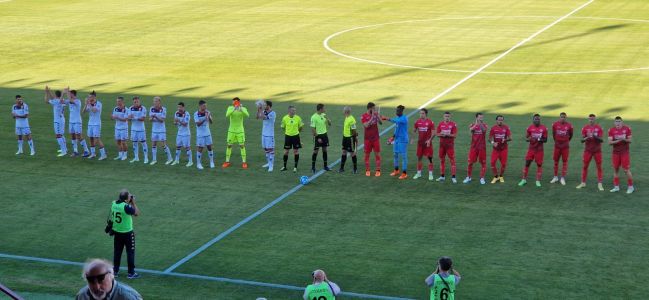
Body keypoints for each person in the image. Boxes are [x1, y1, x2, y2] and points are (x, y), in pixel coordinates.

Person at [75, 258, 142, 300]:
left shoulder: (129, 297)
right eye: (91, 280)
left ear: (111, 276)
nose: (97, 287)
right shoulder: (82, 296)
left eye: (101, 279)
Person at [110, 189, 140, 279]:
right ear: (127, 199)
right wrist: (133, 203)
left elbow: (119, 201)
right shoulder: (126, 207)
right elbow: (137, 213)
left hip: (117, 232)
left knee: (117, 252)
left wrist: (127, 201)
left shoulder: (113, 203)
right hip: (127, 233)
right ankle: (131, 273)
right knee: (130, 252)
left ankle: (115, 271)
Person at [518, 114, 548, 187]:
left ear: (540, 120)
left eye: (538, 119)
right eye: (535, 119)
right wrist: (529, 139)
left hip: (539, 150)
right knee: (527, 163)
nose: (537, 120)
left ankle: (538, 181)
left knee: (539, 165)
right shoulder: (530, 128)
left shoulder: (544, 128)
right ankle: (523, 180)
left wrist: (537, 139)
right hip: (531, 149)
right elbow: (526, 138)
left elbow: (545, 140)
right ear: (533, 120)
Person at [576, 114, 604, 191]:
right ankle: (583, 182)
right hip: (588, 150)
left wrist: (594, 136)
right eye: (590, 119)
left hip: (597, 151)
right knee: (585, 166)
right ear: (588, 120)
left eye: (592, 119)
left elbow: (601, 140)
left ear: (595, 119)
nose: (591, 120)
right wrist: (587, 137)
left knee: (599, 167)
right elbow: (582, 140)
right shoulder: (585, 128)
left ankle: (600, 183)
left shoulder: (599, 128)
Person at [608, 116, 634, 194]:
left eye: (619, 121)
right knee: (616, 169)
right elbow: (610, 142)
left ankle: (631, 187)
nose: (618, 123)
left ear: (622, 122)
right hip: (615, 153)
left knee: (626, 170)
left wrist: (624, 139)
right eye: (616, 121)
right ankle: (616, 187)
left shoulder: (627, 129)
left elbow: (630, 140)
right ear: (614, 122)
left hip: (624, 152)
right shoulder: (611, 130)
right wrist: (619, 140)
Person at [223, 97, 250, 169]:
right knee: (229, 146)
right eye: (233, 102)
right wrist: (234, 109)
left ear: (239, 102)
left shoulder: (243, 108)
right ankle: (227, 161)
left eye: (236, 102)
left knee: (242, 146)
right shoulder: (230, 108)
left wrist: (240, 109)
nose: (234, 103)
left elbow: (247, 115)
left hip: (240, 131)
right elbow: (227, 115)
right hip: (231, 130)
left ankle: (244, 162)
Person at [64, 87, 90, 157]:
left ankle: (86, 150)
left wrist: (67, 92)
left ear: (73, 94)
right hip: (71, 121)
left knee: (79, 136)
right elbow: (61, 101)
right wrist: (63, 93)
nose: (69, 95)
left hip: (77, 121)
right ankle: (75, 151)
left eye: (70, 94)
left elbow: (70, 100)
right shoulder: (69, 100)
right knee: (72, 136)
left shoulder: (78, 101)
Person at [464, 112, 488, 185]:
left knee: (483, 163)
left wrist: (480, 124)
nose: (481, 118)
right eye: (480, 117)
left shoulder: (485, 125)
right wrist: (476, 125)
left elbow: (484, 130)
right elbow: (471, 130)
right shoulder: (472, 125)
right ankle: (468, 177)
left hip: (482, 148)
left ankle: (482, 178)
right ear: (476, 118)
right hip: (474, 147)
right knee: (470, 163)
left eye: (482, 117)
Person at [385, 105, 408, 179]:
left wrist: (387, 118)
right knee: (395, 155)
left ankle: (404, 173)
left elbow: (395, 121)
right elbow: (396, 129)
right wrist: (393, 137)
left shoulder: (404, 118)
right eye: (396, 110)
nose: (396, 112)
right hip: (397, 139)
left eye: (398, 111)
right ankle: (396, 170)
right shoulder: (398, 118)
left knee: (403, 156)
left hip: (403, 139)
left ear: (401, 111)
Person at [550, 112, 573, 185]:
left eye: (564, 117)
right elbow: (553, 134)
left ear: (566, 118)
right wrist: (557, 141)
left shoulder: (569, 126)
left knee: (564, 162)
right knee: (556, 162)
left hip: (565, 147)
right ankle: (555, 176)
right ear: (559, 117)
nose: (563, 118)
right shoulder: (555, 125)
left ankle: (562, 178)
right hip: (557, 146)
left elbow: (571, 135)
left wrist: (566, 141)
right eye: (561, 117)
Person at [149, 96, 173, 165]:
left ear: (159, 102)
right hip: (154, 130)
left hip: (161, 130)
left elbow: (162, 120)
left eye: (156, 101)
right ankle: (154, 160)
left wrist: (155, 116)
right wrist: (152, 118)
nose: (154, 103)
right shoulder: (151, 109)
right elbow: (150, 119)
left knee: (163, 145)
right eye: (154, 101)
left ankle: (170, 158)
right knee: (153, 144)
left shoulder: (163, 109)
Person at [83, 91, 107, 160]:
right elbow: (83, 112)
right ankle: (93, 154)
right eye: (88, 97)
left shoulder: (99, 104)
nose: (89, 98)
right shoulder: (89, 104)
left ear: (94, 97)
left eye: (90, 97)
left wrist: (89, 104)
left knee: (97, 139)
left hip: (96, 124)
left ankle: (103, 154)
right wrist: (85, 105)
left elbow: (94, 110)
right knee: (90, 138)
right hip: (90, 124)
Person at [45, 86, 68, 156]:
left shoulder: (56, 101)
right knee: (61, 135)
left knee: (58, 136)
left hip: (57, 120)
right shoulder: (62, 100)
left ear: (56, 95)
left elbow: (46, 101)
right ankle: (65, 148)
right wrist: (49, 92)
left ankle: (64, 151)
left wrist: (46, 93)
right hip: (62, 119)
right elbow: (54, 98)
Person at [412, 108, 435, 180]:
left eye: (422, 113)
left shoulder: (430, 122)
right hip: (420, 143)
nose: (421, 115)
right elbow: (414, 130)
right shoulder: (417, 122)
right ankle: (419, 173)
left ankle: (430, 174)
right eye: (420, 113)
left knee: (429, 158)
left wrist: (429, 140)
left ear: (426, 114)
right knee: (419, 158)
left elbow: (434, 133)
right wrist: (412, 138)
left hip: (427, 144)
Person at [361, 102, 382, 177]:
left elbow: (381, 123)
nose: (374, 109)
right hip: (367, 139)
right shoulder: (363, 116)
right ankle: (367, 170)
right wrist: (372, 117)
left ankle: (378, 170)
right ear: (369, 108)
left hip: (375, 138)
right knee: (367, 155)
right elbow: (366, 125)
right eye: (373, 108)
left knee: (377, 155)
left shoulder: (375, 114)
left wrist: (378, 116)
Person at [280, 105, 304, 172]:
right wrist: (287, 132)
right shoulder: (285, 118)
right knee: (286, 152)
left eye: (295, 110)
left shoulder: (298, 118)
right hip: (288, 137)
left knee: (295, 151)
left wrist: (297, 132)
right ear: (289, 111)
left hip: (296, 136)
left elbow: (301, 126)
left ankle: (295, 167)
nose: (294, 111)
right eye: (293, 110)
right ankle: (284, 166)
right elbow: (283, 127)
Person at [488, 115, 511, 183]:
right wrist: (493, 143)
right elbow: (489, 139)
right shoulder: (493, 128)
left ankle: (501, 176)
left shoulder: (506, 128)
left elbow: (510, 138)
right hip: (496, 149)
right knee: (492, 162)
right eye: (499, 120)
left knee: (503, 164)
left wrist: (505, 139)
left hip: (504, 149)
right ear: (496, 120)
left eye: (501, 120)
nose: (500, 121)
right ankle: (496, 176)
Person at [436, 112, 458, 183]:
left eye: (448, 116)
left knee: (452, 160)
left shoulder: (453, 124)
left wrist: (447, 134)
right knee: (442, 160)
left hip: (450, 146)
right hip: (442, 146)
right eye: (446, 116)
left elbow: (455, 135)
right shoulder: (440, 124)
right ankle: (442, 176)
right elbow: (437, 134)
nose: (447, 118)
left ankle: (453, 177)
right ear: (443, 117)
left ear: (450, 117)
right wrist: (442, 134)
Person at [310, 103, 332, 173]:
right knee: (315, 151)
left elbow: (330, 124)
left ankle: (325, 166)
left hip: (324, 135)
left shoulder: (323, 115)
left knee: (325, 150)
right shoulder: (314, 117)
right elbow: (313, 128)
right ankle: (313, 167)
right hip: (318, 135)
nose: (325, 109)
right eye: (324, 108)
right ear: (320, 109)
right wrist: (317, 137)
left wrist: (329, 121)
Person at [194, 100, 215, 170]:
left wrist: (208, 117)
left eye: (206, 105)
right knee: (200, 148)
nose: (205, 107)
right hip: (200, 134)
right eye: (204, 106)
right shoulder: (196, 114)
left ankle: (211, 162)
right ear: (200, 106)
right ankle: (198, 164)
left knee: (209, 147)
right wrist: (204, 119)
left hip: (207, 133)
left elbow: (211, 122)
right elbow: (198, 124)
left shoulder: (207, 112)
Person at [257, 100, 276, 172]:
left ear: (269, 106)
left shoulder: (273, 113)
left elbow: (264, 117)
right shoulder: (264, 111)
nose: (264, 106)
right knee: (265, 149)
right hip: (264, 134)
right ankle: (268, 163)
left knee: (270, 150)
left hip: (270, 135)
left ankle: (271, 166)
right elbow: (257, 117)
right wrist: (258, 109)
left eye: (265, 105)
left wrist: (261, 110)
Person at [172, 102, 193, 167]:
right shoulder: (176, 113)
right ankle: (176, 160)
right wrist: (175, 122)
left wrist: (178, 121)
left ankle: (190, 161)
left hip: (186, 133)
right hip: (179, 133)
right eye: (178, 107)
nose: (179, 108)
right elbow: (174, 122)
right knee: (178, 146)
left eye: (180, 107)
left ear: (183, 107)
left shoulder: (187, 114)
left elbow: (185, 124)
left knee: (187, 147)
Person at [128, 97, 148, 164]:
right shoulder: (130, 108)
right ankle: (136, 157)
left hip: (141, 129)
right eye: (134, 102)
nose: (136, 103)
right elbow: (129, 119)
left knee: (143, 143)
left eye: (137, 102)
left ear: (139, 101)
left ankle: (146, 158)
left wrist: (134, 117)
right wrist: (129, 117)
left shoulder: (143, 108)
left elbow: (143, 119)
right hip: (133, 129)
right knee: (134, 143)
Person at [339, 106, 358, 173]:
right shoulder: (346, 117)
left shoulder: (351, 119)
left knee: (352, 153)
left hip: (350, 138)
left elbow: (354, 130)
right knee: (344, 151)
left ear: (346, 111)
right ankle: (341, 168)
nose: (342, 111)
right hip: (345, 138)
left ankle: (355, 169)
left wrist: (355, 138)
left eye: (343, 110)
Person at [111, 97, 130, 161]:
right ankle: (120, 155)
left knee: (123, 142)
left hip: (124, 128)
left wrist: (117, 117)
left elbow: (125, 120)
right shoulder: (115, 108)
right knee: (118, 142)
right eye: (117, 101)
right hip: (117, 128)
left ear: (122, 102)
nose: (118, 103)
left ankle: (125, 155)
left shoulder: (126, 110)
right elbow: (113, 117)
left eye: (119, 101)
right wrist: (112, 117)